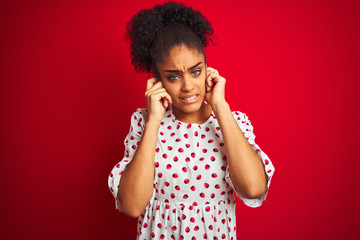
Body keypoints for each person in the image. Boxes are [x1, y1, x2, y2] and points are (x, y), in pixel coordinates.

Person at [108, 2, 275, 239]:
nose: (187, 86)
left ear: (208, 70)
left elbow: (254, 188)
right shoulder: (144, 122)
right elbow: (132, 206)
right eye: (173, 76)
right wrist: (154, 121)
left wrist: (220, 106)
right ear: (158, 81)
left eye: (196, 71)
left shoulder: (233, 121)